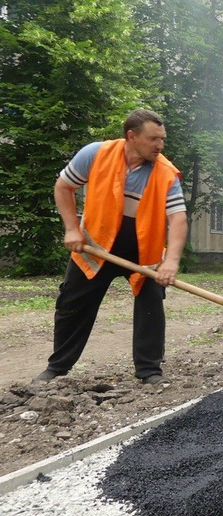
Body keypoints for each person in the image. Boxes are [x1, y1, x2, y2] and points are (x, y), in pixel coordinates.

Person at [32, 109, 188, 385]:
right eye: (154, 139)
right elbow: (63, 187)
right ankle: (56, 369)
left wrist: (171, 261)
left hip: (143, 252)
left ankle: (149, 371)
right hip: (97, 247)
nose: (160, 145)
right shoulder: (96, 154)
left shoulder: (165, 173)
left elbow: (177, 219)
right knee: (72, 304)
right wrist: (71, 228)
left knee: (151, 305)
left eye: (162, 139)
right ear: (132, 136)